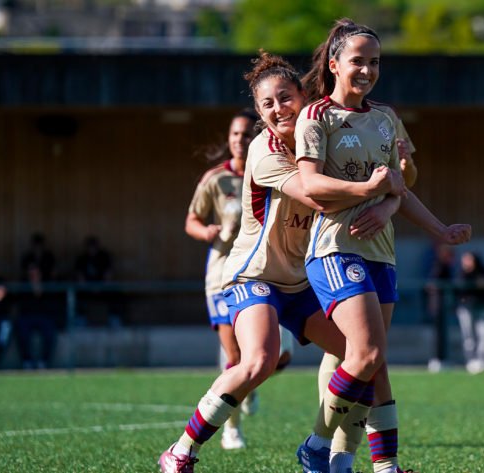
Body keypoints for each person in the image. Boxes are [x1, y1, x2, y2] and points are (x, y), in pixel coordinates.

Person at [158, 50, 406, 473]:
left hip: (301, 281)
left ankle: (357, 462)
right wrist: (376, 188)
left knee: (367, 360)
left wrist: (391, 194)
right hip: (253, 276)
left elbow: (395, 176)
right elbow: (316, 195)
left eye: (285, 98)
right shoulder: (264, 149)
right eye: (267, 104)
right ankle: (182, 451)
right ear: (258, 113)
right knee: (259, 360)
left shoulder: (320, 138)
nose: (278, 109)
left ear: (303, 95)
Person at [295, 19, 471, 473]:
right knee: (367, 355)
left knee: (375, 364)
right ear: (334, 64)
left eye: (375, 62)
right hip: (335, 248)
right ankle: (316, 445)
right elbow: (312, 186)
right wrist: (368, 191)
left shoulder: (386, 118)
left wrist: (440, 229)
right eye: (358, 61)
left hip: (381, 253)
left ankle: (381, 466)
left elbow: (399, 187)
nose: (367, 70)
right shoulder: (317, 117)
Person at [185, 108, 259, 450]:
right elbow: (192, 221)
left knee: (271, 356)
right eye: (235, 135)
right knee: (236, 356)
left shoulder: (269, 172)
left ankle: (250, 384)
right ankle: (231, 429)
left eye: (246, 135)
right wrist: (208, 231)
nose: (240, 141)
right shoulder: (215, 179)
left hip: (260, 272)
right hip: (221, 276)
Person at [16, 263, 62, 369]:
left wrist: (38, 290)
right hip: (27, 317)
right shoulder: (24, 287)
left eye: (35, 274)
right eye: (31, 275)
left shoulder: (47, 286)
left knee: (50, 330)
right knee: (21, 328)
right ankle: (27, 360)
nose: (33, 277)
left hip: (43, 317)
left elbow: (51, 305)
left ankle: (43, 361)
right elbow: (21, 305)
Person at [455, 251, 484, 374]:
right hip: (465, 307)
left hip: (481, 307)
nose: (466, 263)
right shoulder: (461, 274)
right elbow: (457, 288)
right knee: (468, 336)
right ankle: (470, 360)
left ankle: (482, 359)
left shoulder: (483, 272)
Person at [75, 236, 123, 327]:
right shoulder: (82, 258)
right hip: (87, 289)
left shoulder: (104, 257)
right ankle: (80, 320)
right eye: (89, 246)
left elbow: (108, 276)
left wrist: (100, 287)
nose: (91, 249)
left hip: (102, 288)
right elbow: (80, 278)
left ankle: (114, 319)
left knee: (116, 293)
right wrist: (89, 288)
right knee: (75, 294)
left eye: (93, 246)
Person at [424, 244, 454, 372]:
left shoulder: (444, 266)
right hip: (439, 303)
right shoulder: (440, 266)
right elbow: (432, 284)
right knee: (438, 334)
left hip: (441, 304)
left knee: (442, 333)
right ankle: (437, 359)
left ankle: (441, 358)